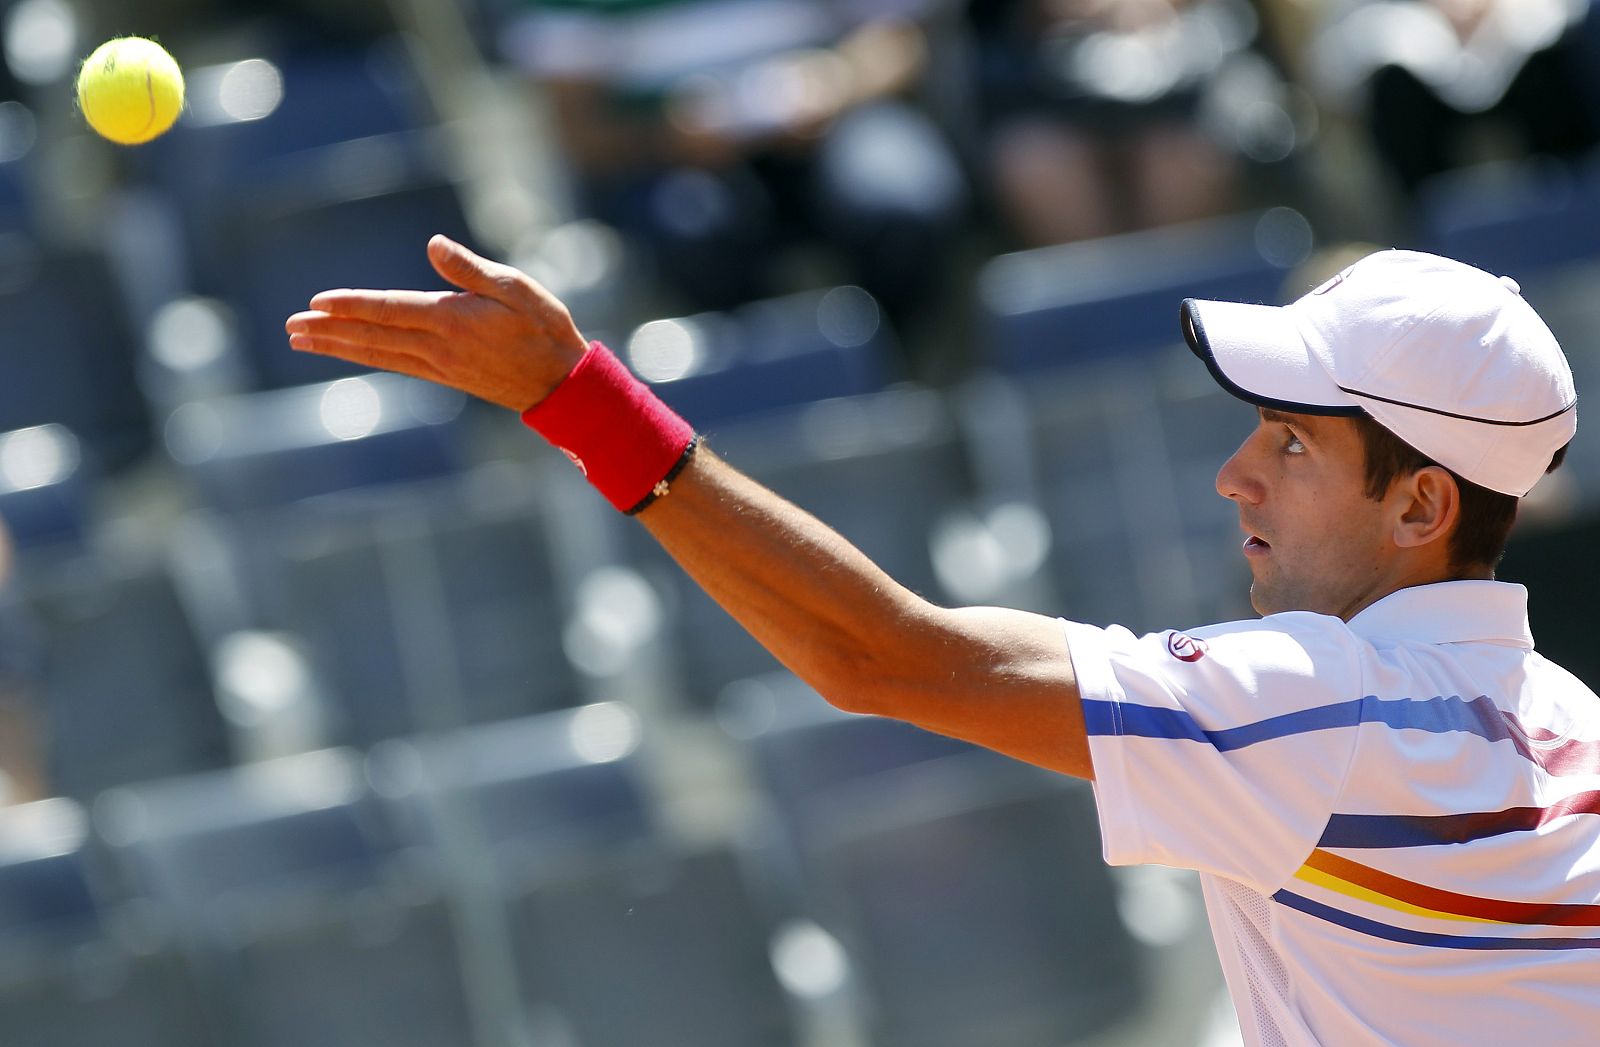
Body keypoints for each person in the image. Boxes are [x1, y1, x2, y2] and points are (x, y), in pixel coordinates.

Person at [286, 238, 1598, 1044]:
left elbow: (880, 656)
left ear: (1424, 505)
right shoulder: (1573, 725)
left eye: (1292, 443)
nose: (1234, 477)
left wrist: (581, 399)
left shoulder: (1326, 707)